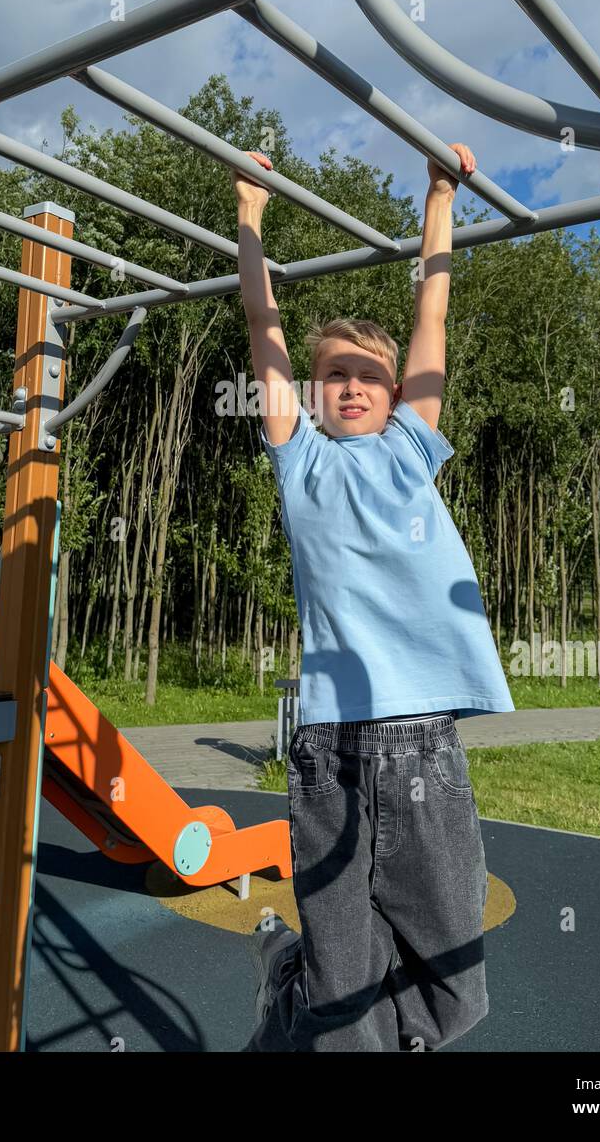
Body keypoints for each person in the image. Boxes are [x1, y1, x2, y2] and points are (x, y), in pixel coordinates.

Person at [231, 143, 515, 1052]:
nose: (352, 385)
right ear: (314, 395)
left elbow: (431, 306)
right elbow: (260, 325)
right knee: (342, 992)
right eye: (335, 375)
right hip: (332, 751)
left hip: (424, 743)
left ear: (396, 395)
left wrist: (438, 196)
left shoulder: (407, 449)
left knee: (454, 990)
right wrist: (250, 214)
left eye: (370, 375)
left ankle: (306, 984)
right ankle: (298, 981)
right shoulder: (301, 459)